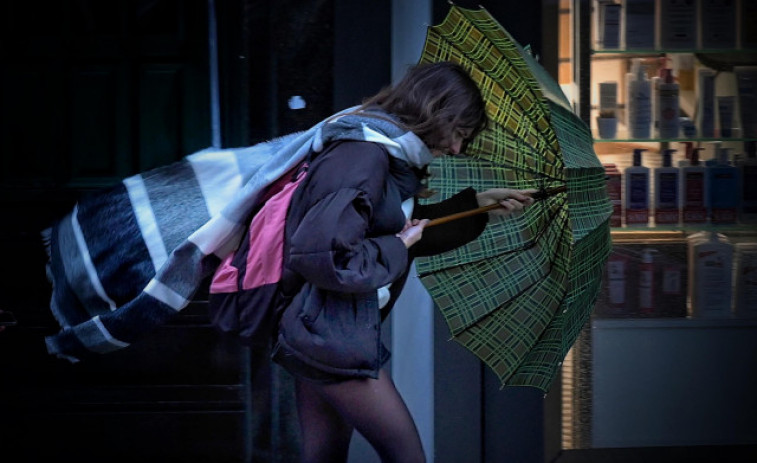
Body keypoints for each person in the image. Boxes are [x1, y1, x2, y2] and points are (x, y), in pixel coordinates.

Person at [267, 61, 535, 463]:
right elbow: (324, 254)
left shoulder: (384, 152)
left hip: (323, 327)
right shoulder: (363, 157)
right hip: (330, 334)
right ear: (435, 111)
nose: (457, 149)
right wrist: (397, 246)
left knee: (323, 455)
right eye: (459, 134)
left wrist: (477, 207)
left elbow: (392, 231)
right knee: (406, 455)